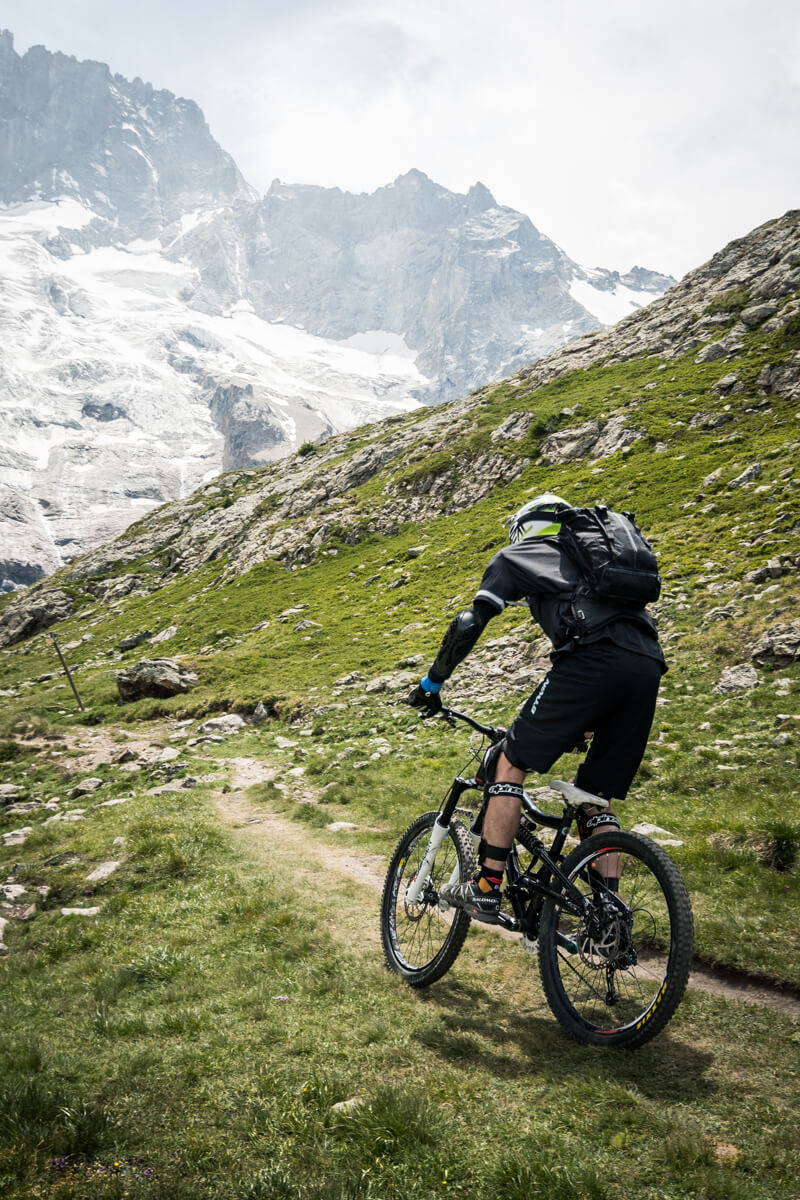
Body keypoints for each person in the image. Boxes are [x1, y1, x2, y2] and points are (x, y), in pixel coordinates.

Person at [406, 492, 666, 923]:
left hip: (591, 660)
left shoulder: (519, 555)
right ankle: (606, 915)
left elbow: (469, 622)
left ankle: (486, 887)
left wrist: (431, 683)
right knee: (594, 797)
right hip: (646, 666)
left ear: (523, 529)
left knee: (509, 763)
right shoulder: (593, 564)